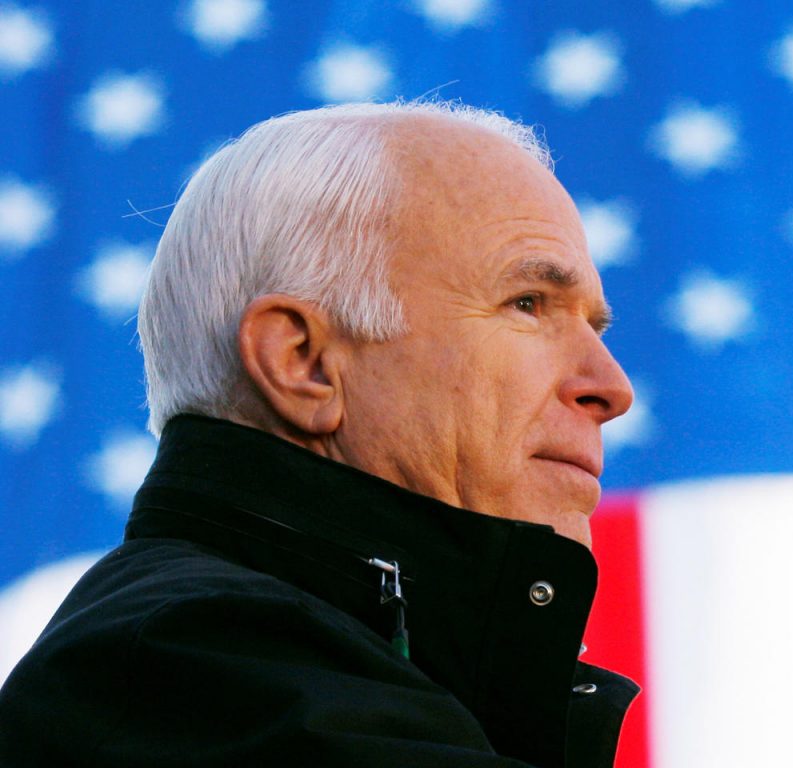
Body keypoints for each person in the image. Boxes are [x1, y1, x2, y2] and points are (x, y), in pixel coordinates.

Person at [0, 101, 637, 767]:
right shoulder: (200, 670)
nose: (611, 387)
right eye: (528, 304)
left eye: (594, 326)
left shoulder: (337, 668)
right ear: (302, 362)